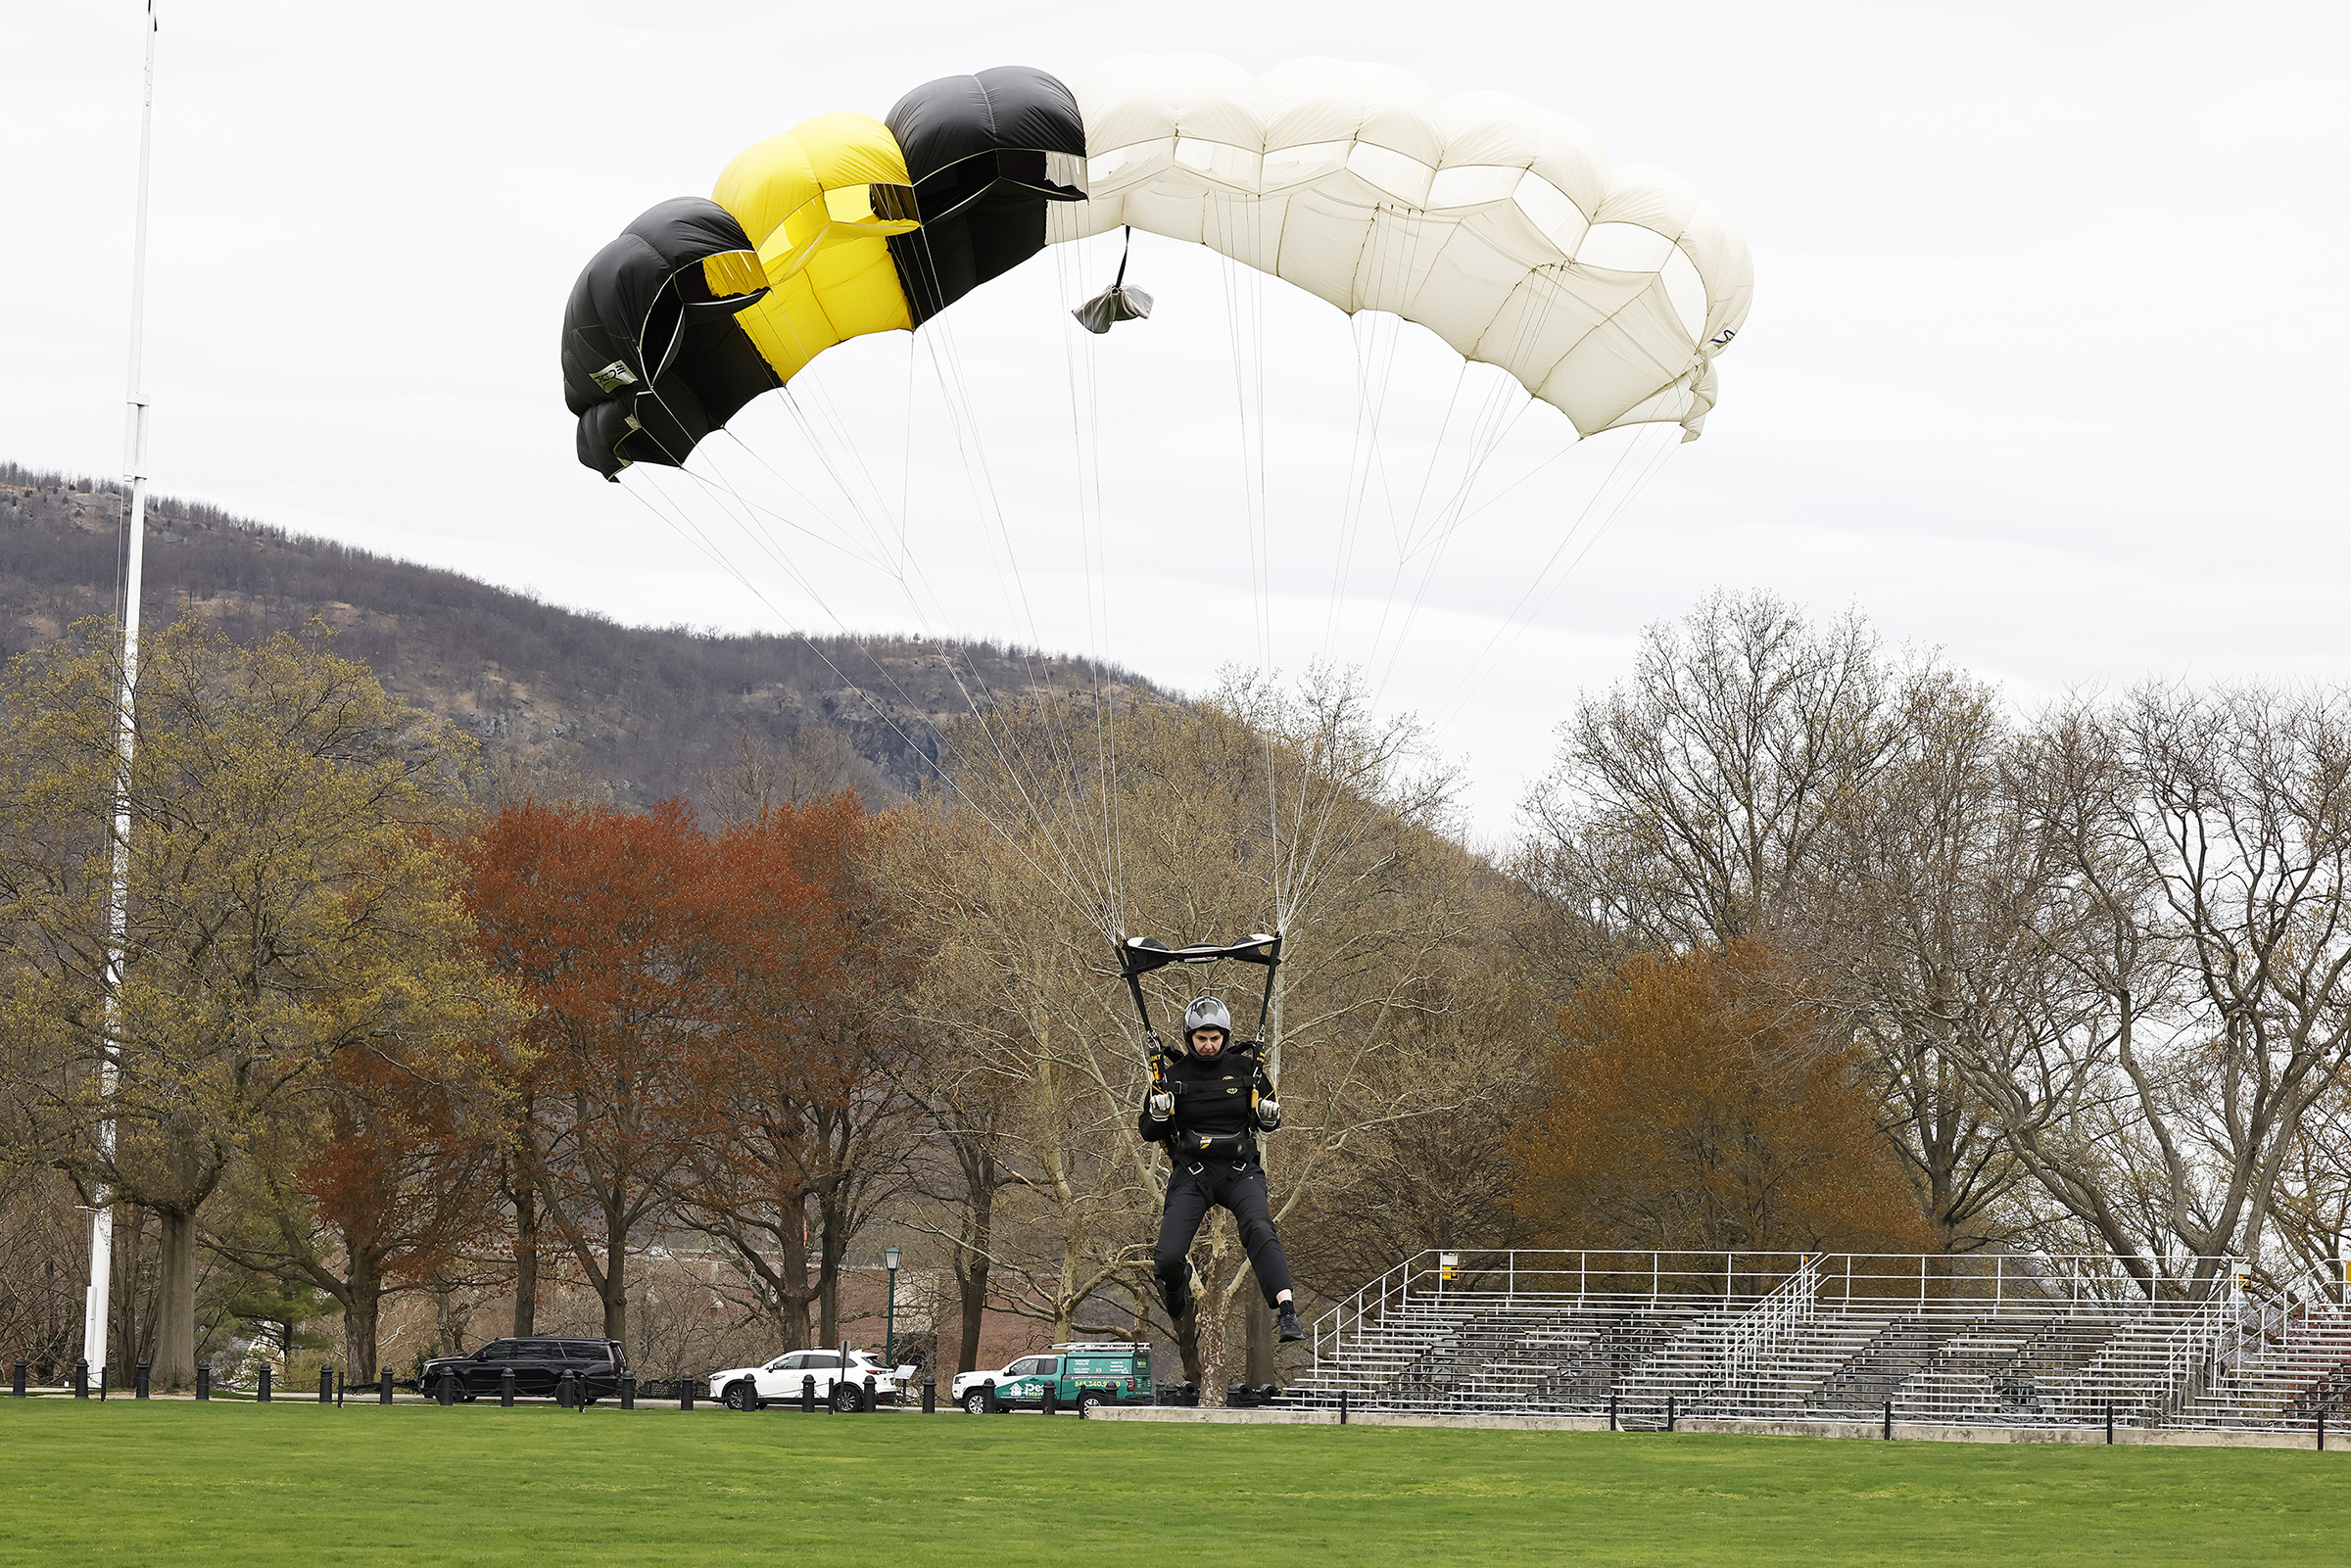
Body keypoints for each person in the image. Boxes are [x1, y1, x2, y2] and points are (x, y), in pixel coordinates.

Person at [1140, 995, 1303, 1343]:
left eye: (1215, 1038)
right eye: (1202, 1038)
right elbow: (1148, 1133)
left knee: (1260, 1227)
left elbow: (1269, 1120)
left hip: (1239, 1169)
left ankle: (1287, 1311)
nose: (1210, 1045)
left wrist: (1269, 1116)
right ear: (1190, 1038)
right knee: (1167, 1257)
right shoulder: (1170, 1076)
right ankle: (1176, 1283)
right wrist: (1157, 1113)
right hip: (1193, 1173)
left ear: (1225, 1037)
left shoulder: (1248, 1071)